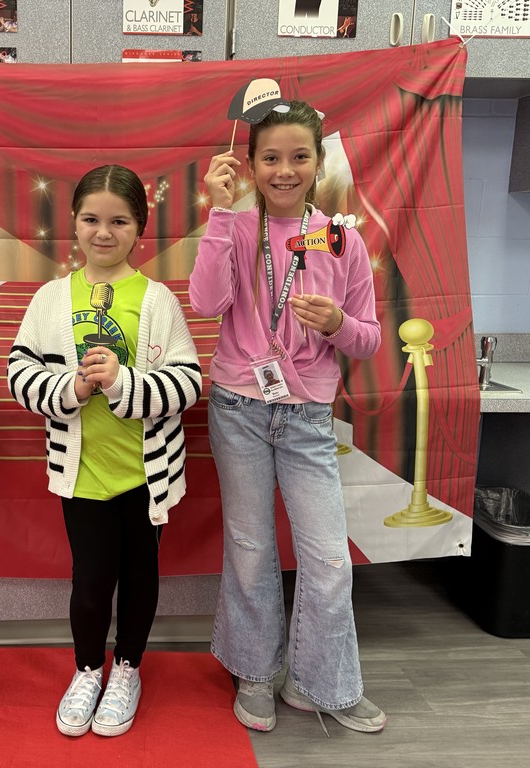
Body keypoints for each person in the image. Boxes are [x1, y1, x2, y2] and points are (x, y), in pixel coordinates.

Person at [189, 99, 386, 734]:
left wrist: (338, 323)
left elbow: (369, 339)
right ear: (249, 164)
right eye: (270, 157)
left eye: (299, 156)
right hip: (238, 407)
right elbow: (205, 301)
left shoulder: (341, 238)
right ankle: (254, 672)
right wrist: (220, 213)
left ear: (318, 161)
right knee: (250, 547)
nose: (284, 170)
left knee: (328, 558)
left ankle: (321, 682)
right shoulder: (236, 226)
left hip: (305, 416)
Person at [7, 165, 201, 738]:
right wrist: (72, 387)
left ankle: (128, 669)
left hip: (147, 475)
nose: (104, 232)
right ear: (73, 222)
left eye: (119, 221)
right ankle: (89, 669)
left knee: (140, 576)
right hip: (82, 474)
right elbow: (18, 373)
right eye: (91, 219)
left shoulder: (158, 299)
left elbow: (189, 382)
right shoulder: (51, 299)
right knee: (90, 580)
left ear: (139, 227)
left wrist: (123, 383)